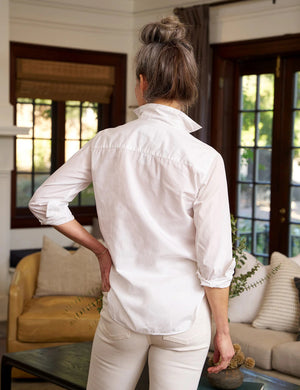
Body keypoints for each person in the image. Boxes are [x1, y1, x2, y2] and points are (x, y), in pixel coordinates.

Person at [29, 16, 235, 390]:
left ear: (142, 84)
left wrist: (98, 249)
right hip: (183, 317)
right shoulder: (205, 159)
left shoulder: (106, 142)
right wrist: (223, 331)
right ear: (189, 87)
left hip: (122, 313)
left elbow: (45, 202)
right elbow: (215, 262)